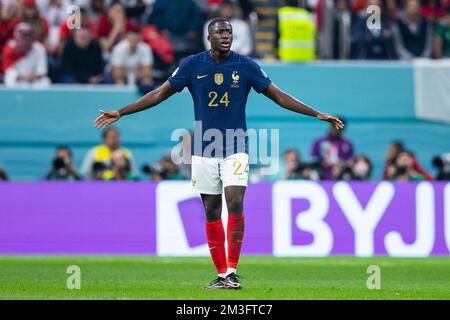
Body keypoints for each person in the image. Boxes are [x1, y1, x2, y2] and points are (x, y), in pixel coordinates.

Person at [93, 18, 343, 289]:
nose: (226, 36)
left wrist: (316, 113)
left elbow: (278, 96)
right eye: (220, 32)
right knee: (212, 210)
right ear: (208, 37)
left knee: (234, 201)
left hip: (236, 146)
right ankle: (222, 274)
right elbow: (159, 94)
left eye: (229, 32)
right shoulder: (192, 65)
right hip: (204, 149)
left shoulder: (245, 65)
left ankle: (233, 271)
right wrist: (122, 111)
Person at [2, 22, 51, 88]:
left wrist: (32, 78)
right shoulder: (9, 49)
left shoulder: (39, 48)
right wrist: (23, 77)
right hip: (18, 79)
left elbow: (42, 71)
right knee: (9, 81)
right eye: (23, 35)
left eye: (29, 35)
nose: (26, 38)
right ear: (16, 36)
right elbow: (8, 71)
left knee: (45, 82)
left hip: (34, 80)